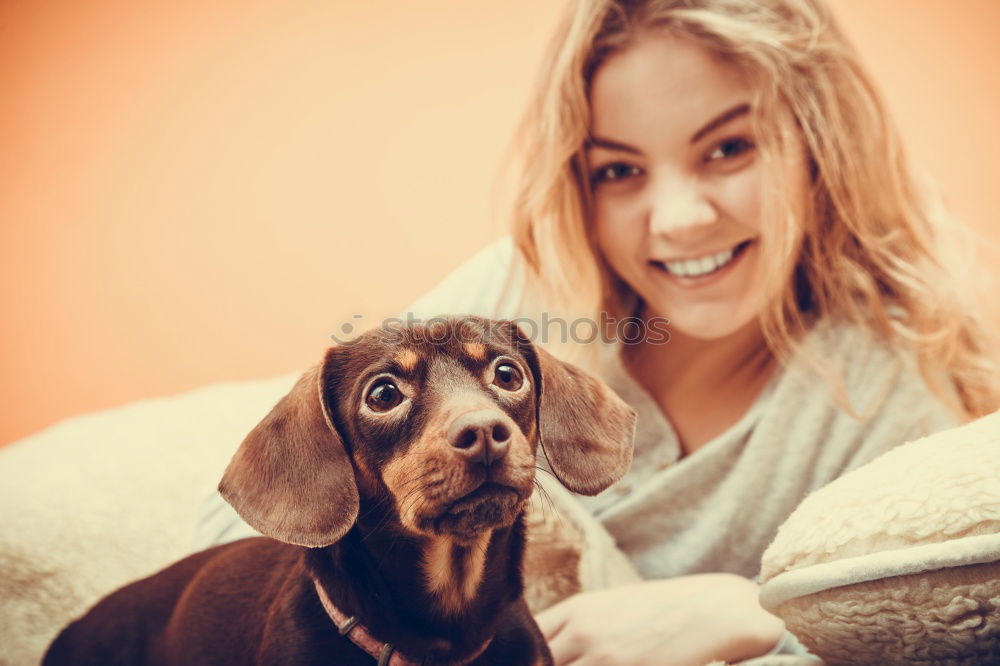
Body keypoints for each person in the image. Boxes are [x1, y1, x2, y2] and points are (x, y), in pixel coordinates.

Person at [198, 0, 1000, 663]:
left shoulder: (890, 387)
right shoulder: (530, 283)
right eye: (619, 169)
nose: (681, 220)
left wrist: (754, 616)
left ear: (821, 147)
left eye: (729, 148)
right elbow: (239, 529)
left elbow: (931, 638)